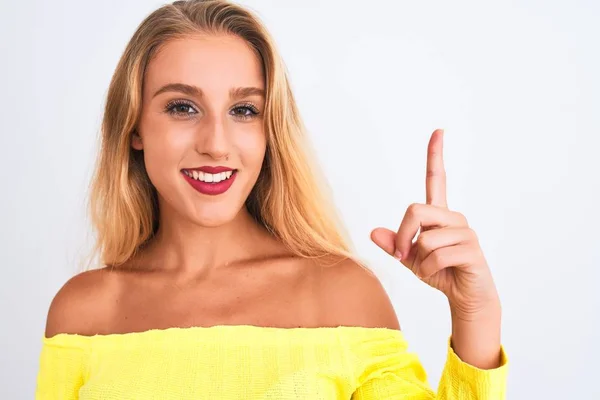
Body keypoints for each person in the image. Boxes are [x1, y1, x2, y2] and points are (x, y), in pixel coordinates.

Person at [35, 0, 508, 398]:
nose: (216, 143)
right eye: (182, 107)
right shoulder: (83, 313)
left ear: (270, 130)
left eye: (244, 110)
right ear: (134, 125)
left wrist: (476, 315)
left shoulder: (341, 296)